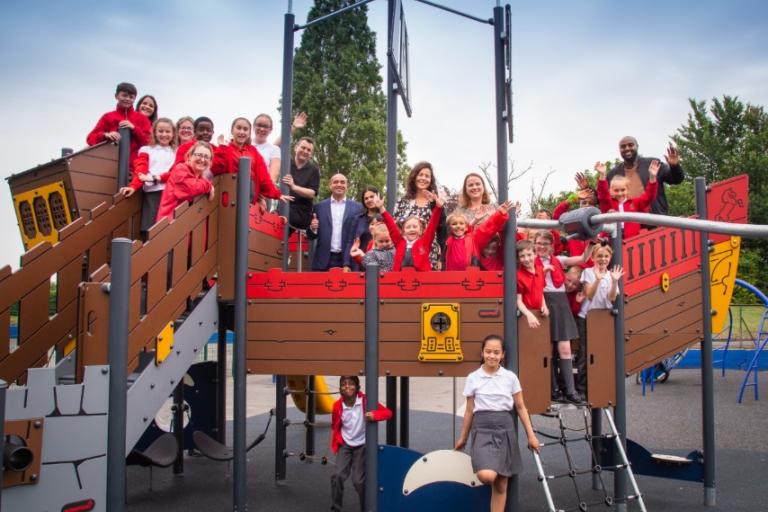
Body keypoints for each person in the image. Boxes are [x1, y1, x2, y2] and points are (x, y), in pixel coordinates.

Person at [455, 335, 540, 512]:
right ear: (482, 353)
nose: (492, 356)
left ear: (502, 355)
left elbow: (520, 407)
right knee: (487, 475)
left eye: (496, 352)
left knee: (501, 484)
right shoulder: (473, 377)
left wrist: (531, 436)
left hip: (504, 429)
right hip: (482, 428)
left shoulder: (510, 377)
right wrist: (463, 437)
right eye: (488, 352)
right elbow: (469, 410)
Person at [532, 230, 592, 403]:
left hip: (560, 302)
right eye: (539, 243)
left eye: (545, 244)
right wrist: (541, 272)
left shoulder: (558, 260)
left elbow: (583, 259)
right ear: (534, 244)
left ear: (551, 246)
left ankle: (571, 391)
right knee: (548, 349)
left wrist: (593, 243)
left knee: (565, 349)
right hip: (544, 301)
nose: (542, 246)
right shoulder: (530, 261)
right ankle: (554, 390)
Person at [330, 375, 392, 512]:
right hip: (345, 444)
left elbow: (388, 413)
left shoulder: (365, 401)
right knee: (337, 476)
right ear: (340, 388)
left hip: (361, 445)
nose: (347, 386)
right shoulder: (337, 406)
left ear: (357, 387)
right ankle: (336, 508)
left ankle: (365, 508)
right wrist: (338, 440)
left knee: (358, 481)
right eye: (344, 384)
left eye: (351, 384)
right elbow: (335, 424)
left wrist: (375, 415)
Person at [211, 118, 292, 206]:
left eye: (245, 129)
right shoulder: (225, 149)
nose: (242, 132)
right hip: (230, 201)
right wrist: (222, 148)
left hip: (248, 200)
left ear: (249, 133)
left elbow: (263, 177)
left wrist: (277, 194)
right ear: (232, 130)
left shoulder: (253, 151)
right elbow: (215, 170)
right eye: (239, 128)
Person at [577, 244, 624, 395]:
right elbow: (589, 295)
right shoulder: (588, 272)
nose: (603, 259)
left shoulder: (612, 275)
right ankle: (582, 389)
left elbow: (611, 298)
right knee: (585, 352)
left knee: (602, 351)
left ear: (610, 258)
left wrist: (615, 281)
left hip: (603, 318)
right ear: (593, 258)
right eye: (599, 256)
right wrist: (597, 280)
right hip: (587, 317)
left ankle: (600, 386)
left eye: (606, 256)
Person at [119, 118, 177, 233]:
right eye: (160, 131)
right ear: (154, 132)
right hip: (152, 192)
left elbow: (175, 173)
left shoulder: (176, 152)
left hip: (170, 193)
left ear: (173, 134)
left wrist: (157, 178)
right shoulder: (146, 149)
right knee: (150, 226)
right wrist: (133, 186)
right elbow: (141, 169)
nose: (164, 134)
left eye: (167, 131)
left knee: (168, 226)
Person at [606, 136, 683, 216]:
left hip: (654, 219)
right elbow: (604, 198)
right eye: (623, 146)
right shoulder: (613, 174)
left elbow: (676, 179)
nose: (627, 148)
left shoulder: (653, 163)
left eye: (630, 145)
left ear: (637, 146)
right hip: (627, 220)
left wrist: (675, 166)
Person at [393, 162, 446, 270]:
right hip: (405, 253)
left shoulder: (435, 202)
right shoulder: (402, 202)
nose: (423, 178)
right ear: (414, 177)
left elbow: (442, 230)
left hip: (429, 253)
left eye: (427, 176)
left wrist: (443, 257)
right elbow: (395, 227)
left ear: (431, 180)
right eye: (420, 175)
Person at [86, 82, 151, 167]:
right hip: (110, 167)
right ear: (116, 96)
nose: (127, 99)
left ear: (135, 99)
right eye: (124, 95)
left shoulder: (142, 119)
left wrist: (134, 129)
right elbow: (90, 138)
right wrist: (106, 135)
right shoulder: (108, 117)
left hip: (135, 168)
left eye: (131, 97)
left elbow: (148, 143)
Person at [307, 173, 362, 271]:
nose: (339, 184)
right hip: (322, 261)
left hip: (348, 260)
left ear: (347, 186)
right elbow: (310, 235)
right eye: (336, 182)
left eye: (342, 182)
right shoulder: (319, 207)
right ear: (330, 185)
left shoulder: (358, 208)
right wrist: (313, 228)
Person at [379, 192, 444, 272]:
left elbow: (432, 226)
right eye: (408, 227)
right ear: (403, 231)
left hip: (421, 277)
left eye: (415, 226)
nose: (412, 229)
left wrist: (438, 208)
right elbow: (391, 226)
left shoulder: (424, 242)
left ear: (420, 230)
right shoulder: (399, 242)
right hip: (400, 277)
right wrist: (381, 208)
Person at [596, 160, 659, 239]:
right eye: (616, 190)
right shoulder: (609, 204)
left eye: (623, 190)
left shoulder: (635, 203)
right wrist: (602, 175)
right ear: (610, 191)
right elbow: (603, 194)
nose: (620, 193)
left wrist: (652, 177)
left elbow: (649, 197)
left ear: (628, 190)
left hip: (631, 240)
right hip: (612, 240)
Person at [444, 201, 513, 271]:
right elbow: (441, 229)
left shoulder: (473, 238)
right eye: (454, 224)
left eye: (461, 223)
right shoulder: (448, 241)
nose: (458, 226)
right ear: (450, 227)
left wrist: (500, 214)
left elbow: (487, 228)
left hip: (471, 275)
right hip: (452, 275)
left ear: (466, 227)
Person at [155, 141, 215, 222]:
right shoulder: (180, 169)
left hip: (183, 222)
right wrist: (209, 186)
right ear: (189, 156)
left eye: (207, 157)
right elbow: (192, 189)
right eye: (199, 155)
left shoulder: (199, 177)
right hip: (169, 224)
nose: (202, 159)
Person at [282, 136, 320, 231]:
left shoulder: (314, 170)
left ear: (311, 154)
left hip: (301, 214)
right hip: (284, 208)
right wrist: (293, 129)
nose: (305, 151)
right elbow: (275, 147)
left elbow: (312, 193)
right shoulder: (286, 163)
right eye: (303, 148)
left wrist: (293, 186)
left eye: (309, 150)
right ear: (296, 148)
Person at [252, 113, 281, 184]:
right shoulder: (245, 145)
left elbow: (273, 176)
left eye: (265, 126)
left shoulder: (275, 149)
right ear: (253, 127)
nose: (262, 129)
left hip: (262, 188)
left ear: (270, 129)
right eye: (259, 125)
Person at [354, 186, 383, 252]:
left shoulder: (385, 218)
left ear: (378, 197)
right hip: (360, 256)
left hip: (380, 256)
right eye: (366, 198)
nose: (369, 200)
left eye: (372, 197)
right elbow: (351, 241)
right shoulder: (358, 219)